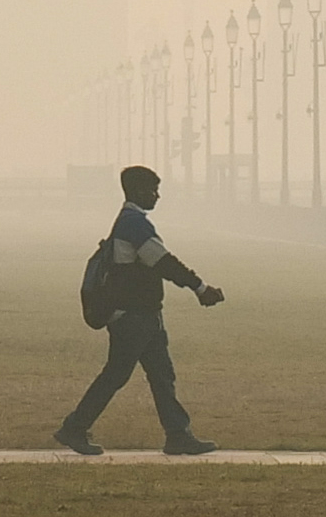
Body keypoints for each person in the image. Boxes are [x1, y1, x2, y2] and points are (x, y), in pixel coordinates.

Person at [56, 165, 223, 456]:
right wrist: (200, 288)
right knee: (117, 375)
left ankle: (178, 435)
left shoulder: (129, 222)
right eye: (153, 190)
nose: (157, 196)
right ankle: (74, 427)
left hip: (144, 315)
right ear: (138, 191)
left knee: (161, 376)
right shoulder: (134, 225)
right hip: (134, 317)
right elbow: (165, 263)